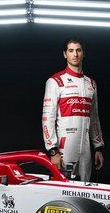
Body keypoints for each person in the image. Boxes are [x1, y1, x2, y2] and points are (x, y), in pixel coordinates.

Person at [42, 38, 104, 182]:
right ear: (65, 54)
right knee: (63, 189)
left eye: (78, 50)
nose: (75, 54)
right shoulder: (55, 81)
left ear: (83, 53)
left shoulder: (91, 84)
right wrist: (53, 150)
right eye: (71, 51)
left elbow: (94, 118)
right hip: (64, 148)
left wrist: (98, 148)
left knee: (85, 188)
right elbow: (47, 118)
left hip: (86, 149)